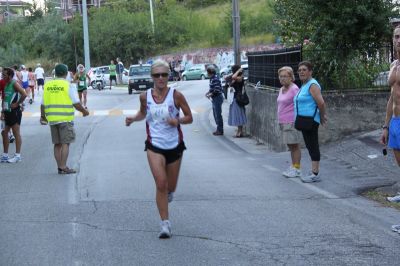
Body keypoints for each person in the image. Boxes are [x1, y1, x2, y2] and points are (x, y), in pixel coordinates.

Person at [125, 59, 193, 239]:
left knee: (170, 187)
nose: (161, 78)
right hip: (154, 144)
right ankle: (165, 223)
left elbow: (189, 117)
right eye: (157, 75)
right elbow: (143, 113)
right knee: (160, 184)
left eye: (164, 74)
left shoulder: (176, 95)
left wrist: (176, 121)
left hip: (175, 145)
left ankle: (168, 193)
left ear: (168, 76)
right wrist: (133, 118)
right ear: (152, 77)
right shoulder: (144, 96)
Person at [40, 64, 89, 174]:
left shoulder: (48, 85)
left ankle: (59, 166)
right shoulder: (68, 85)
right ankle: (63, 166)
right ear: (66, 73)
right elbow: (76, 103)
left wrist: (43, 117)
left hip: (52, 119)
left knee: (57, 144)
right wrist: (84, 111)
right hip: (65, 118)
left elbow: (42, 104)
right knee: (65, 143)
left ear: (55, 73)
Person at [381, 26, 400, 233]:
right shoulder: (394, 64)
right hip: (395, 122)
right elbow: (391, 97)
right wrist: (386, 126)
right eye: (396, 36)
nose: (398, 40)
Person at [295, 61, 327, 183]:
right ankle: (313, 170)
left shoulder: (312, 85)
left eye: (304, 70)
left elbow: (321, 103)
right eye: (299, 70)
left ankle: (315, 173)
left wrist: (322, 116)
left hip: (311, 120)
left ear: (310, 71)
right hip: (304, 119)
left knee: (313, 145)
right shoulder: (304, 85)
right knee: (309, 145)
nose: (301, 72)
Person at [277, 66, 302, 178]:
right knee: (290, 146)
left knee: (294, 145)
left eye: (285, 76)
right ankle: (293, 166)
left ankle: (297, 168)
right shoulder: (281, 89)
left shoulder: (294, 89)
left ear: (291, 77)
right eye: (280, 76)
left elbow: (299, 104)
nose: (282, 79)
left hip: (291, 121)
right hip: (283, 121)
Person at [0, 67, 27, 163]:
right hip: (7, 111)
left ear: (10, 76)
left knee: (16, 133)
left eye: (4, 75)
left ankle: (17, 155)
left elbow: (24, 94)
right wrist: (2, 111)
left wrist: (17, 103)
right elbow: (5, 98)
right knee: (4, 132)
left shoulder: (14, 83)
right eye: (2, 74)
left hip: (14, 111)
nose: (2, 76)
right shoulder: (6, 84)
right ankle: (5, 155)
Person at [227, 64, 247, 137]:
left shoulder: (240, 78)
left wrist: (238, 70)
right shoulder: (235, 77)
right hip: (234, 98)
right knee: (237, 114)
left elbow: (233, 77)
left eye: (233, 70)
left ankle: (240, 131)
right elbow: (226, 78)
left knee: (238, 114)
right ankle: (239, 131)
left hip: (238, 98)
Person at [206, 65, 224, 135]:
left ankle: (220, 130)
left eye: (207, 72)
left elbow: (216, 90)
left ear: (210, 73)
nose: (207, 74)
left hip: (217, 98)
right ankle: (218, 129)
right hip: (214, 98)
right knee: (215, 114)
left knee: (218, 114)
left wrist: (210, 94)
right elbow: (212, 89)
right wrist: (208, 93)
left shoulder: (215, 79)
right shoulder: (212, 79)